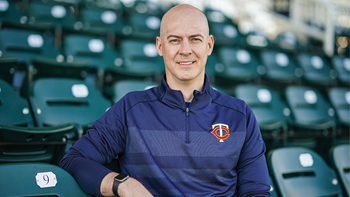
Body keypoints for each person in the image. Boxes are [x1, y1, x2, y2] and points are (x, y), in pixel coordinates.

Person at [60, 4, 271, 197]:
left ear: (209, 45)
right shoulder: (131, 108)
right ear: (160, 47)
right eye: (175, 40)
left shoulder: (240, 115)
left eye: (195, 39)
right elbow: (74, 160)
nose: (185, 50)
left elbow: (256, 192)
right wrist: (124, 184)